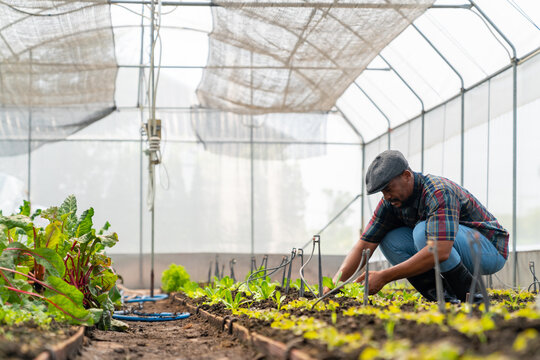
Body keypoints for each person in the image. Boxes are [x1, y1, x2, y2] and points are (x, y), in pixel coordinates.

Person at [328, 150, 509, 302]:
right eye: (383, 192)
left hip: (489, 250)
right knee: (389, 240)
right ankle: (444, 299)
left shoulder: (438, 191)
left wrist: (385, 276)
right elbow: (364, 245)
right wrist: (334, 285)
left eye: (389, 189)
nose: (387, 197)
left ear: (407, 176)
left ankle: (473, 296)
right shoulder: (391, 203)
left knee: (424, 233)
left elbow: (440, 250)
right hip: (454, 247)